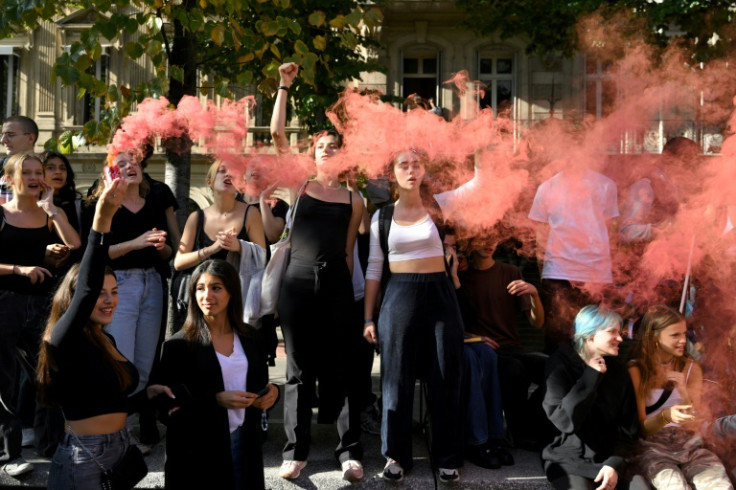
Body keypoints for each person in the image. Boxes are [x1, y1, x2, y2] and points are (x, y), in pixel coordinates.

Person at [37, 177, 173, 489]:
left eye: (114, 291)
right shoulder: (63, 337)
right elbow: (86, 287)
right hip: (84, 458)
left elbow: (107, 400)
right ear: (75, 300)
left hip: (120, 450)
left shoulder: (105, 338)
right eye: (101, 293)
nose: (110, 299)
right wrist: (102, 220)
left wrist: (147, 395)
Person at [271, 62, 366, 482]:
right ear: (312, 154)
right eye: (321, 146)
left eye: (333, 146)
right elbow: (276, 136)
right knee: (297, 370)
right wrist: (284, 86)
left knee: (342, 366)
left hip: (336, 284)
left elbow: (348, 254)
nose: (327, 149)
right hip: (296, 282)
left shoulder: (354, 198)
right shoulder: (301, 186)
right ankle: (296, 451)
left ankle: (350, 452)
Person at [363, 149, 464, 484]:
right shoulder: (381, 217)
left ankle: (448, 456)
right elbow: (375, 270)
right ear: (393, 173)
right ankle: (396, 455)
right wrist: (368, 318)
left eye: (416, 164)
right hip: (398, 297)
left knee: (445, 376)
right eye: (403, 165)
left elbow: (481, 185)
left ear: (425, 171)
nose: (410, 170)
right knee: (396, 380)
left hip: (439, 295)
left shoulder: (441, 206)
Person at [158, 259, 278, 489]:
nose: (206, 296)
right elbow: (166, 408)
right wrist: (214, 400)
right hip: (198, 451)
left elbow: (261, 385)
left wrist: (272, 394)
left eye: (216, 288)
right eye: (200, 288)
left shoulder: (252, 338)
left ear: (231, 291)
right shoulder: (177, 346)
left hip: (245, 441)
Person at [83, 150, 173, 450]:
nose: (129, 166)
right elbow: (95, 253)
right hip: (119, 285)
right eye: (121, 163)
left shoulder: (156, 199)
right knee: (121, 361)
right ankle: (118, 431)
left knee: (146, 364)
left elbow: (169, 253)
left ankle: (131, 429)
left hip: (152, 282)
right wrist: (136, 243)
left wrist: (160, 246)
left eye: (133, 161)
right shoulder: (103, 205)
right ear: (110, 173)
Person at [0, 152, 81, 476]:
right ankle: (11, 454)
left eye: (38, 172)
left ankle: (50, 444)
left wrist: (53, 211)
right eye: (27, 172)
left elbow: (75, 244)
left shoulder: (49, 213)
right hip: (5, 302)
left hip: (40, 305)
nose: (36, 177)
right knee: (4, 379)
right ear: (8, 179)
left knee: (48, 372)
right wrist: (19, 269)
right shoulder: (2, 213)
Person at [628, 305, 733, 489]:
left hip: (691, 445)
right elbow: (642, 427)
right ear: (654, 337)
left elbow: (697, 421)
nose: (683, 340)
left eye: (684, 333)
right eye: (675, 335)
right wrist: (666, 416)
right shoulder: (636, 370)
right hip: (653, 449)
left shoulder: (691, 368)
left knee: (719, 485)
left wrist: (684, 393)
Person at [542, 305, 646, 490]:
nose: (620, 338)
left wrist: (613, 464)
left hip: (610, 459)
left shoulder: (619, 371)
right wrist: (590, 377)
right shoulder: (559, 364)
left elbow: (628, 431)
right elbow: (565, 421)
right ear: (590, 335)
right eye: (612, 332)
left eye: (620, 332)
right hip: (569, 460)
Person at [528, 166, 619, 350]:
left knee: (597, 339)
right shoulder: (547, 187)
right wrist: (544, 271)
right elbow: (540, 236)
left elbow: (612, 231)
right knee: (559, 338)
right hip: (558, 273)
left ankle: (592, 377)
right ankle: (556, 379)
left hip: (596, 275)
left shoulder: (606, 185)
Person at [173, 160, 267, 331]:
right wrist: (212, 249)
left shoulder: (251, 213)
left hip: (237, 302)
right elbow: (179, 262)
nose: (229, 175)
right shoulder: (196, 217)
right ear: (209, 181)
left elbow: (262, 258)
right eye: (222, 171)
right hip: (203, 303)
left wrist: (239, 246)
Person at [1, 116, 38, 203]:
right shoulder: (1, 166)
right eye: (2, 135)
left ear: (30, 138)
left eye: (10, 135)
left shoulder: (50, 166)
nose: (3, 140)